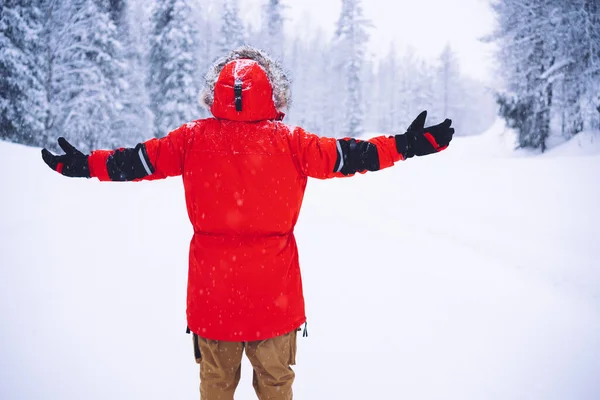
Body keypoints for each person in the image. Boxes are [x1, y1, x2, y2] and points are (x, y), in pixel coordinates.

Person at [41, 46, 455, 400]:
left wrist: (85, 165)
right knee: (276, 386)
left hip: (212, 300)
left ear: (216, 94)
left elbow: (135, 161)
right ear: (272, 91)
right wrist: (407, 144)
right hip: (275, 301)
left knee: (216, 386)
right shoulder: (292, 142)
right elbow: (352, 155)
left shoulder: (190, 139)